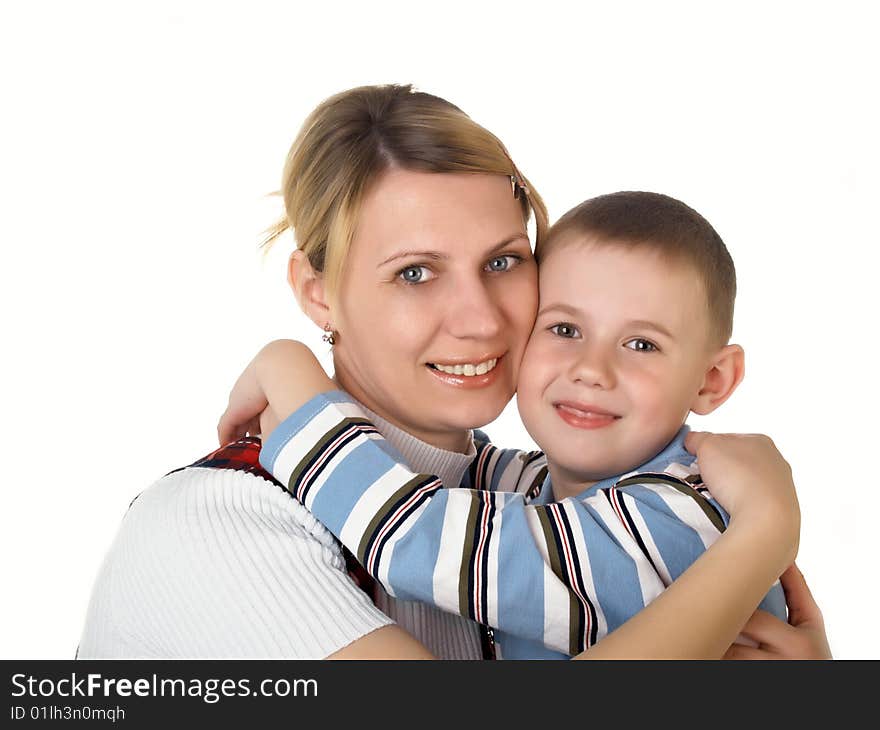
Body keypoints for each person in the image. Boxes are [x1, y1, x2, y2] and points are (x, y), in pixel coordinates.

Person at [77, 84, 828, 659]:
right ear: (316, 291)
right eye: (414, 274)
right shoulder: (218, 526)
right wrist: (766, 530)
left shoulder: (527, 491)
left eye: (504, 261)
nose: (481, 318)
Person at [220, 191, 787, 659]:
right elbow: (454, 467)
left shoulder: (680, 516)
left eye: (641, 344)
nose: (592, 370)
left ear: (712, 380)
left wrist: (290, 371)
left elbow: (415, 538)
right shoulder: (543, 485)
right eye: (564, 329)